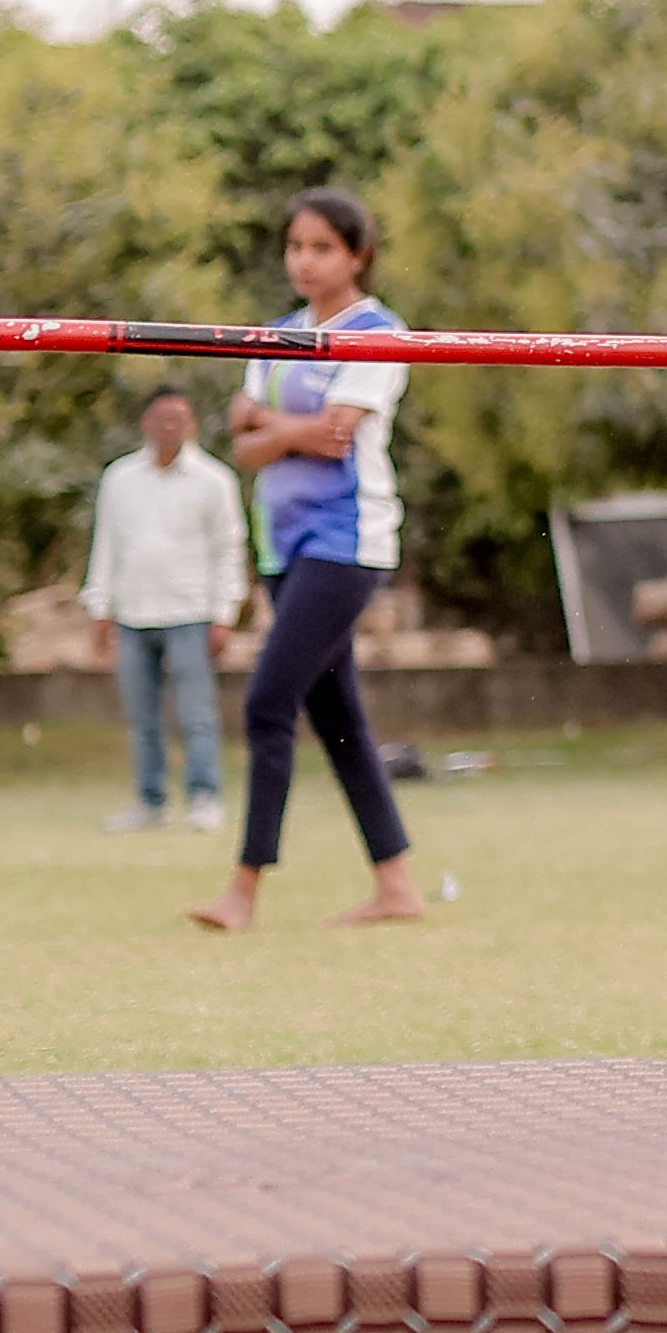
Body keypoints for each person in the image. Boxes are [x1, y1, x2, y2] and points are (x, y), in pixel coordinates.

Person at [190, 191, 433, 934]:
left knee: (268, 701)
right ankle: (397, 885)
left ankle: (244, 888)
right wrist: (288, 429)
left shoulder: (377, 332)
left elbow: (336, 436)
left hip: (346, 542)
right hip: (284, 544)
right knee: (339, 719)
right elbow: (244, 444)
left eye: (322, 247)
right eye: (296, 246)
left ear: (358, 255)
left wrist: (273, 424)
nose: (305, 260)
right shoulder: (276, 334)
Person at [81, 387, 245, 836]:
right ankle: (150, 800)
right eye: (161, 417)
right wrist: (100, 606)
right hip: (134, 612)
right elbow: (106, 545)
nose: (169, 426)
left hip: (190, 611)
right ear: (145, 423)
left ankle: (204, 796)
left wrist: (225, 613)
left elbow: (228, 550)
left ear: (192, 425)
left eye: (178, 418)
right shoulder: (121, 478)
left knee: (197, 713)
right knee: (142, 716)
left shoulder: (214, 480)